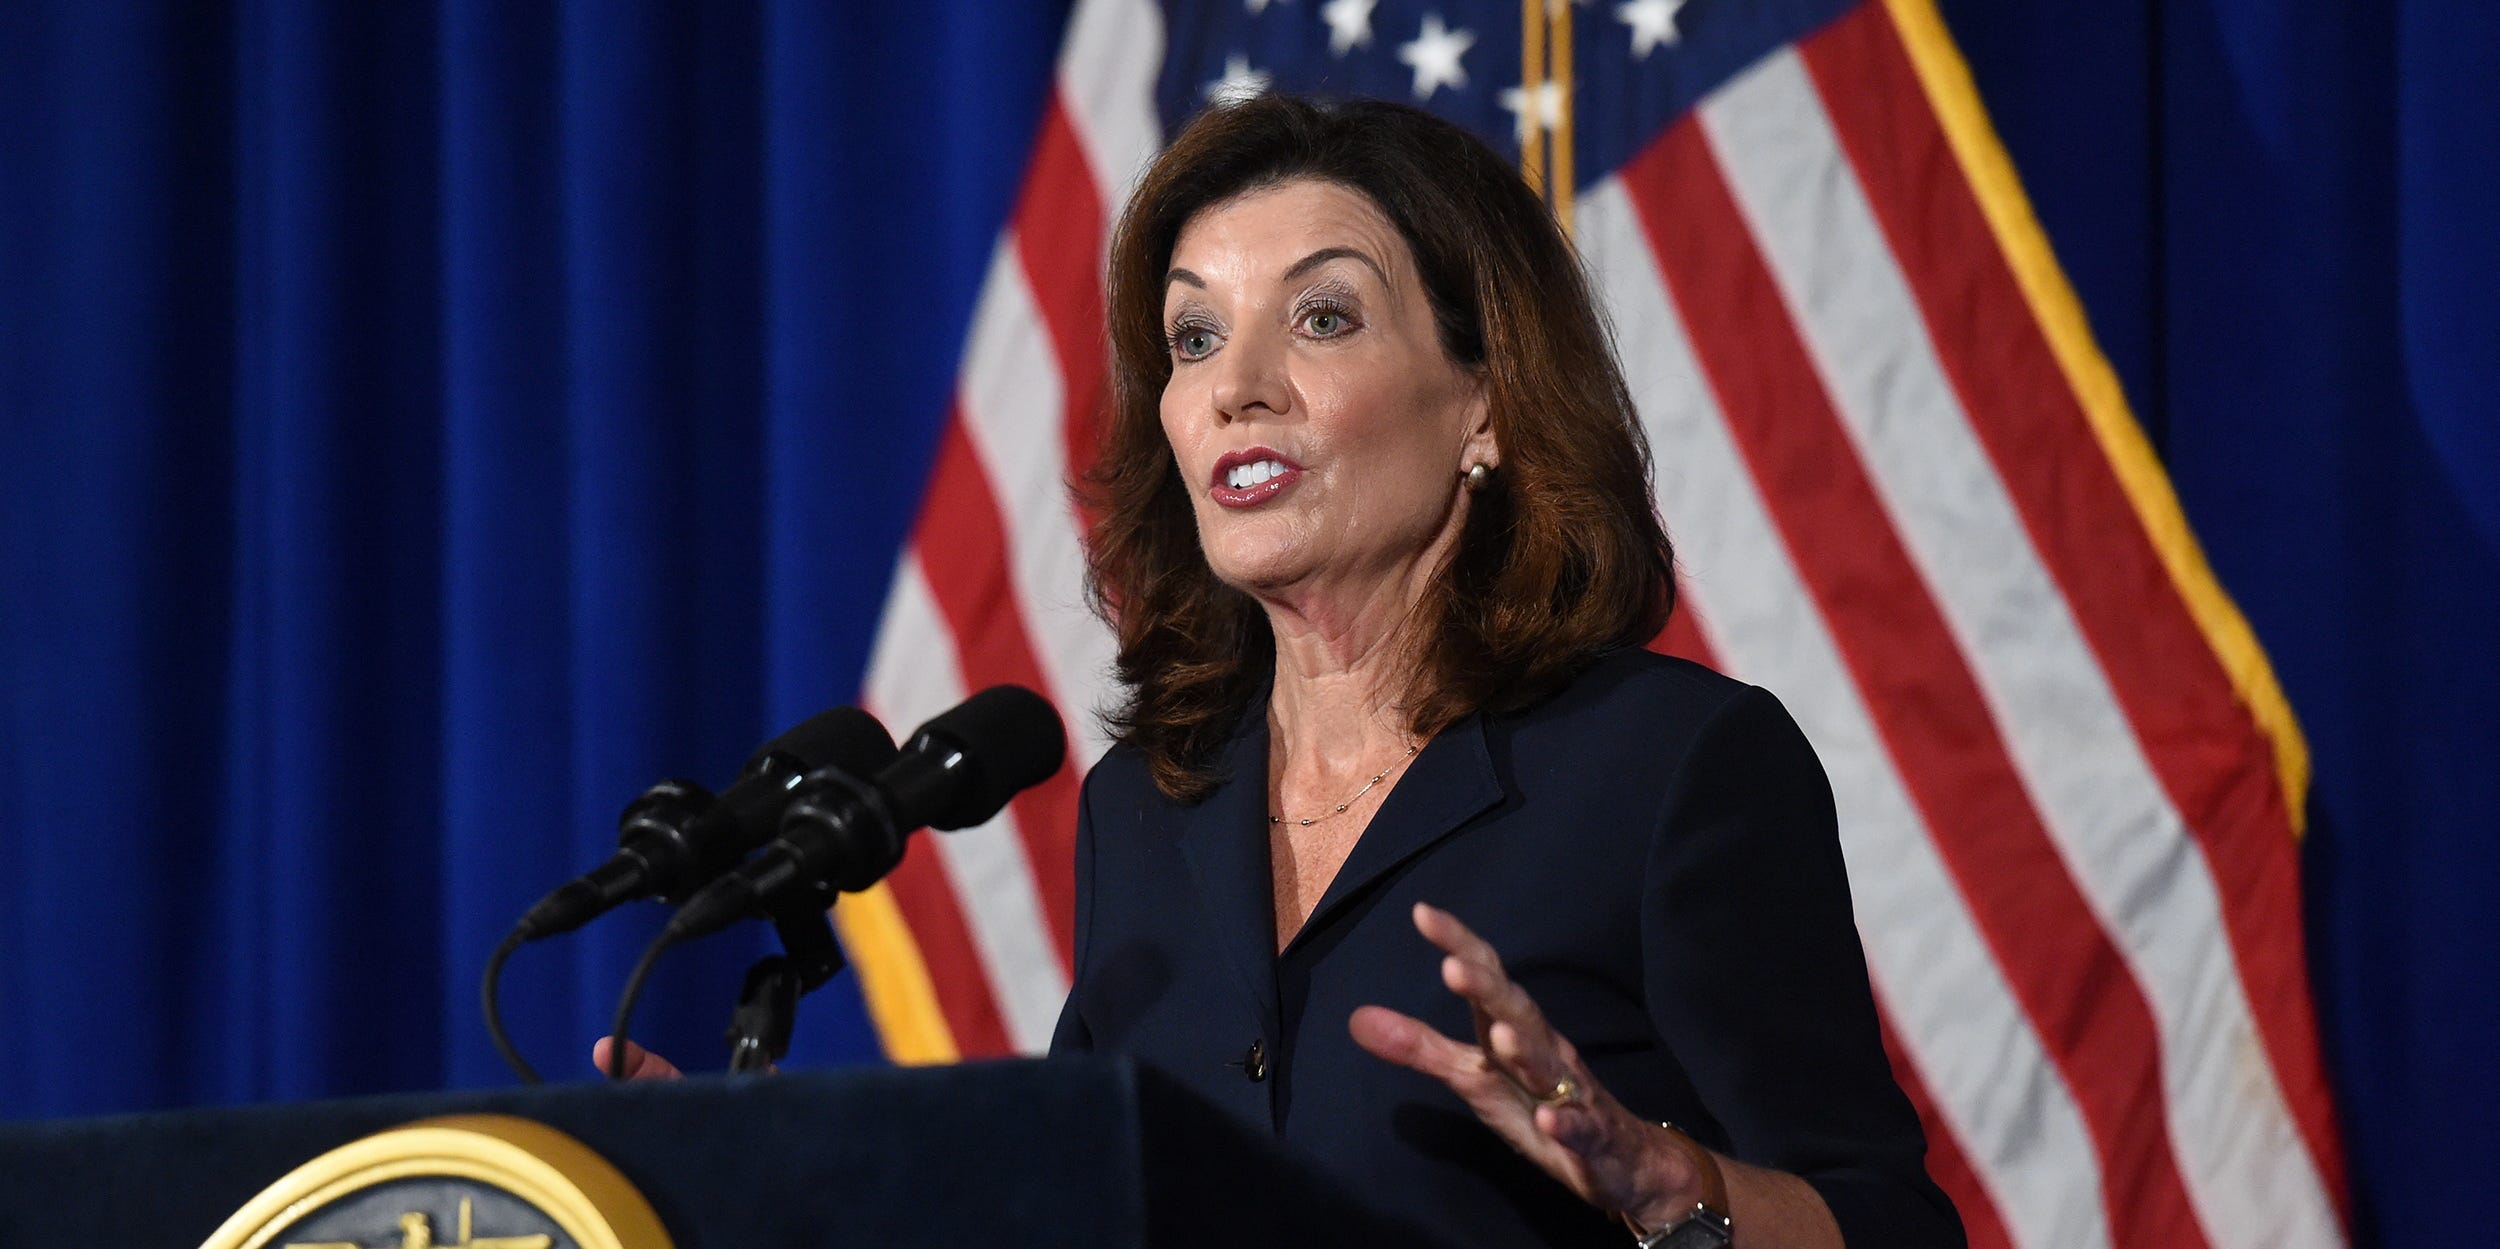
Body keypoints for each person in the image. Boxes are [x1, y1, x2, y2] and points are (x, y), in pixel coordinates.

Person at [1048, 94, 1964, 1249]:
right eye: (1193, 338)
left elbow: (1891, 1231)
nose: (1237, 386)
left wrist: (1668, 1184)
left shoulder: (1668, 772)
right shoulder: (1142, 805)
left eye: (1321, 318)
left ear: (1484, 403)